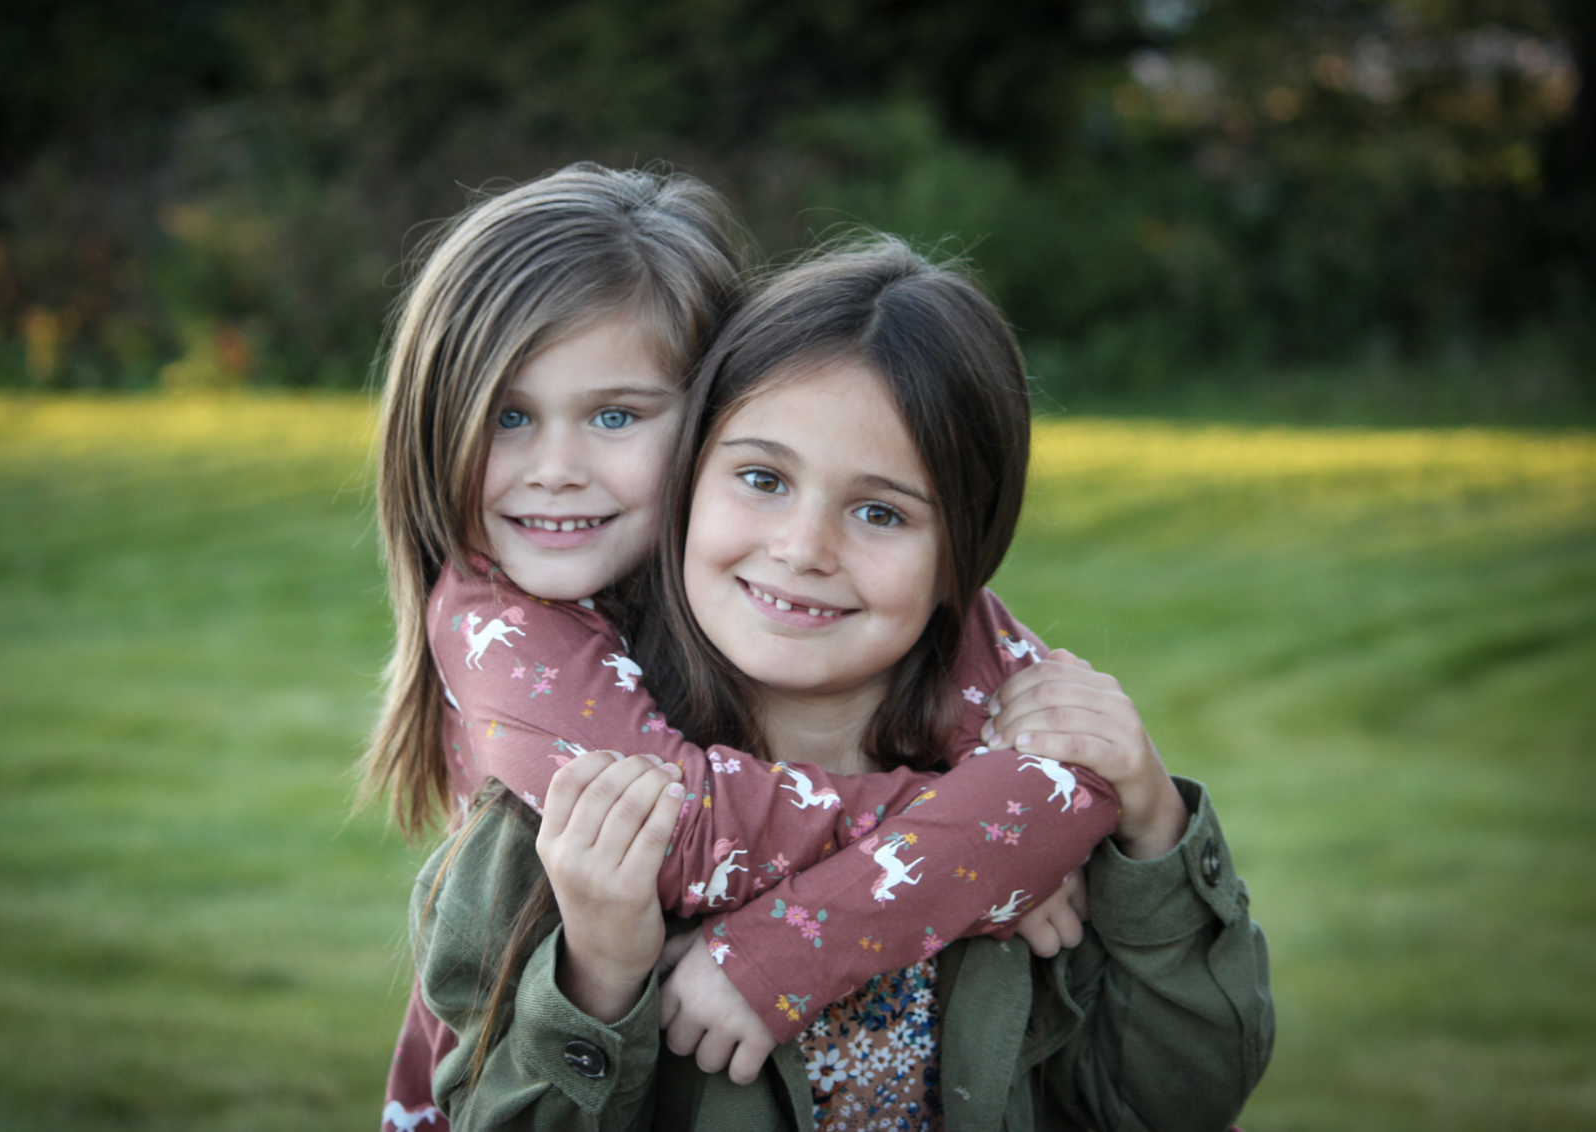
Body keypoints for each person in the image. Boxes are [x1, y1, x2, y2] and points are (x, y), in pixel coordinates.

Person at [412, 241, 1274, 1130]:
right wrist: (598, 976)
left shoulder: (1024, 765)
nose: (804, 548)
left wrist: (1152, 832)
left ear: (961, 559)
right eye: (762, 479)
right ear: (687, 482)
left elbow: (1175, 1101)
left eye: (880, 512)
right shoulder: (582, 817)